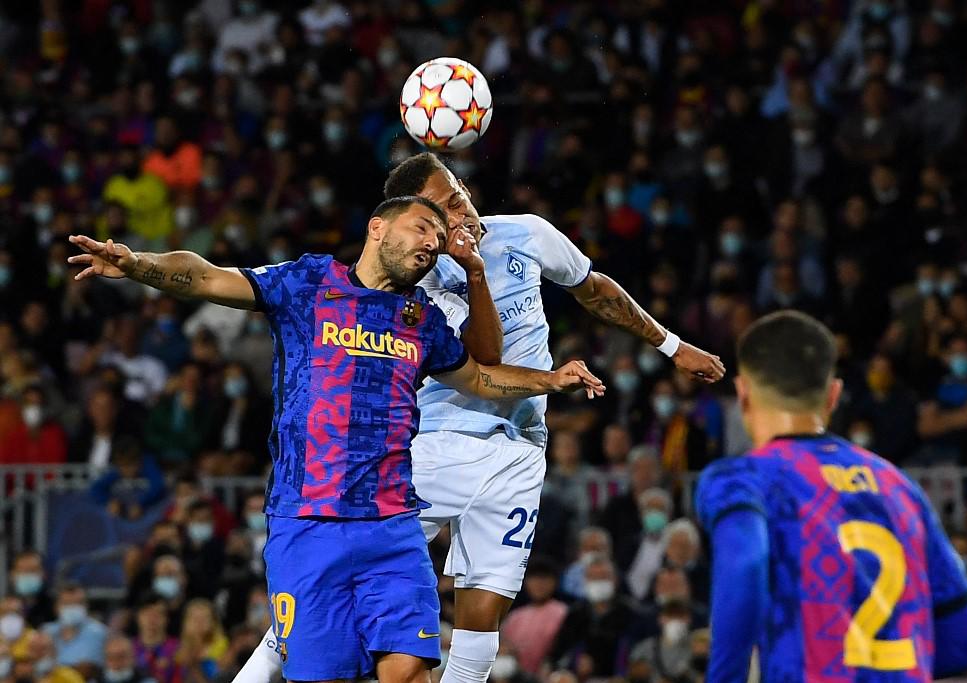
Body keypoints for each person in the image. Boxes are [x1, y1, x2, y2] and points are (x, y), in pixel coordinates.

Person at [68, 195, 604, 683]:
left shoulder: (422, 319)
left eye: (437, 241)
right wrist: (138, 265)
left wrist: (549, 379)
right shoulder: (307, 284)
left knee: (410, 673)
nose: (430, 245)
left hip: (393, 526)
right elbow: (206, 277)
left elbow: (480, 379)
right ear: (377, 227)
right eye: (421, 229)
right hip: (308, 524)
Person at [236, 153, 722, 683]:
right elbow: (478, 359)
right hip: (435, 441)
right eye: (442, 210)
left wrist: (672, 346)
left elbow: (594, 289)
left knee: (483, 616)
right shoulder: (415, 268)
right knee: (325, 574)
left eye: (457, 194)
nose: (459, 212)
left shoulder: (529, 234)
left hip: (521, 448)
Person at [695, 310, 967, 681]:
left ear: (742, 393)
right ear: (833, 395)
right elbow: (966, 643)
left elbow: (745, 563)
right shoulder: (897, 485)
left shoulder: (742, 478)